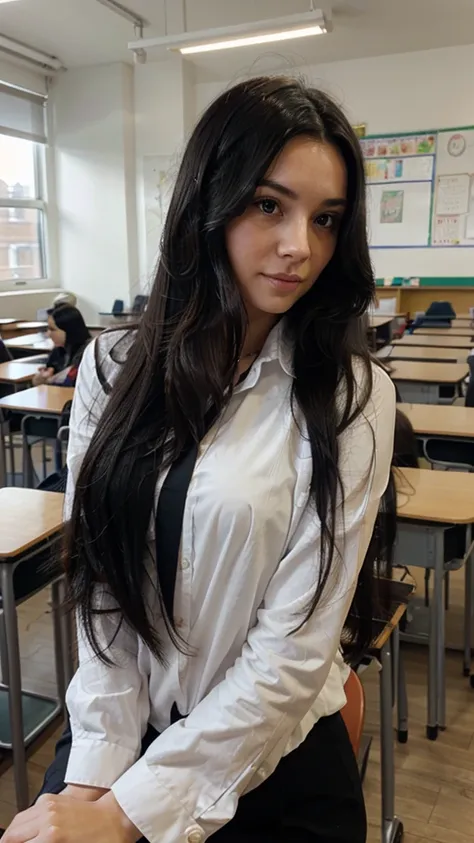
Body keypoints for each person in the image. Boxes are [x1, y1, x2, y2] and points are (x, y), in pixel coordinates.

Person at [4, 76, 396, 843]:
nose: (300, 247)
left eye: (325, 220)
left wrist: (123, 815)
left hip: (272, 760)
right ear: (206, 204)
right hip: (124, 737)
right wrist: (94, 771)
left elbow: (290, 658)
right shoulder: (113, 366)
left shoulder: (352, 397)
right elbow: (105, 592)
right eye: (267, 205)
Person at [33, 304, 91, 387]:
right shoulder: (58, 351)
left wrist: (50, 381)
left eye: (52, 329)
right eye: (48, 329)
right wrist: (41, 378)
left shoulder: (88, 353)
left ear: (69, 330)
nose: (48, 334)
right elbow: (44, 380)